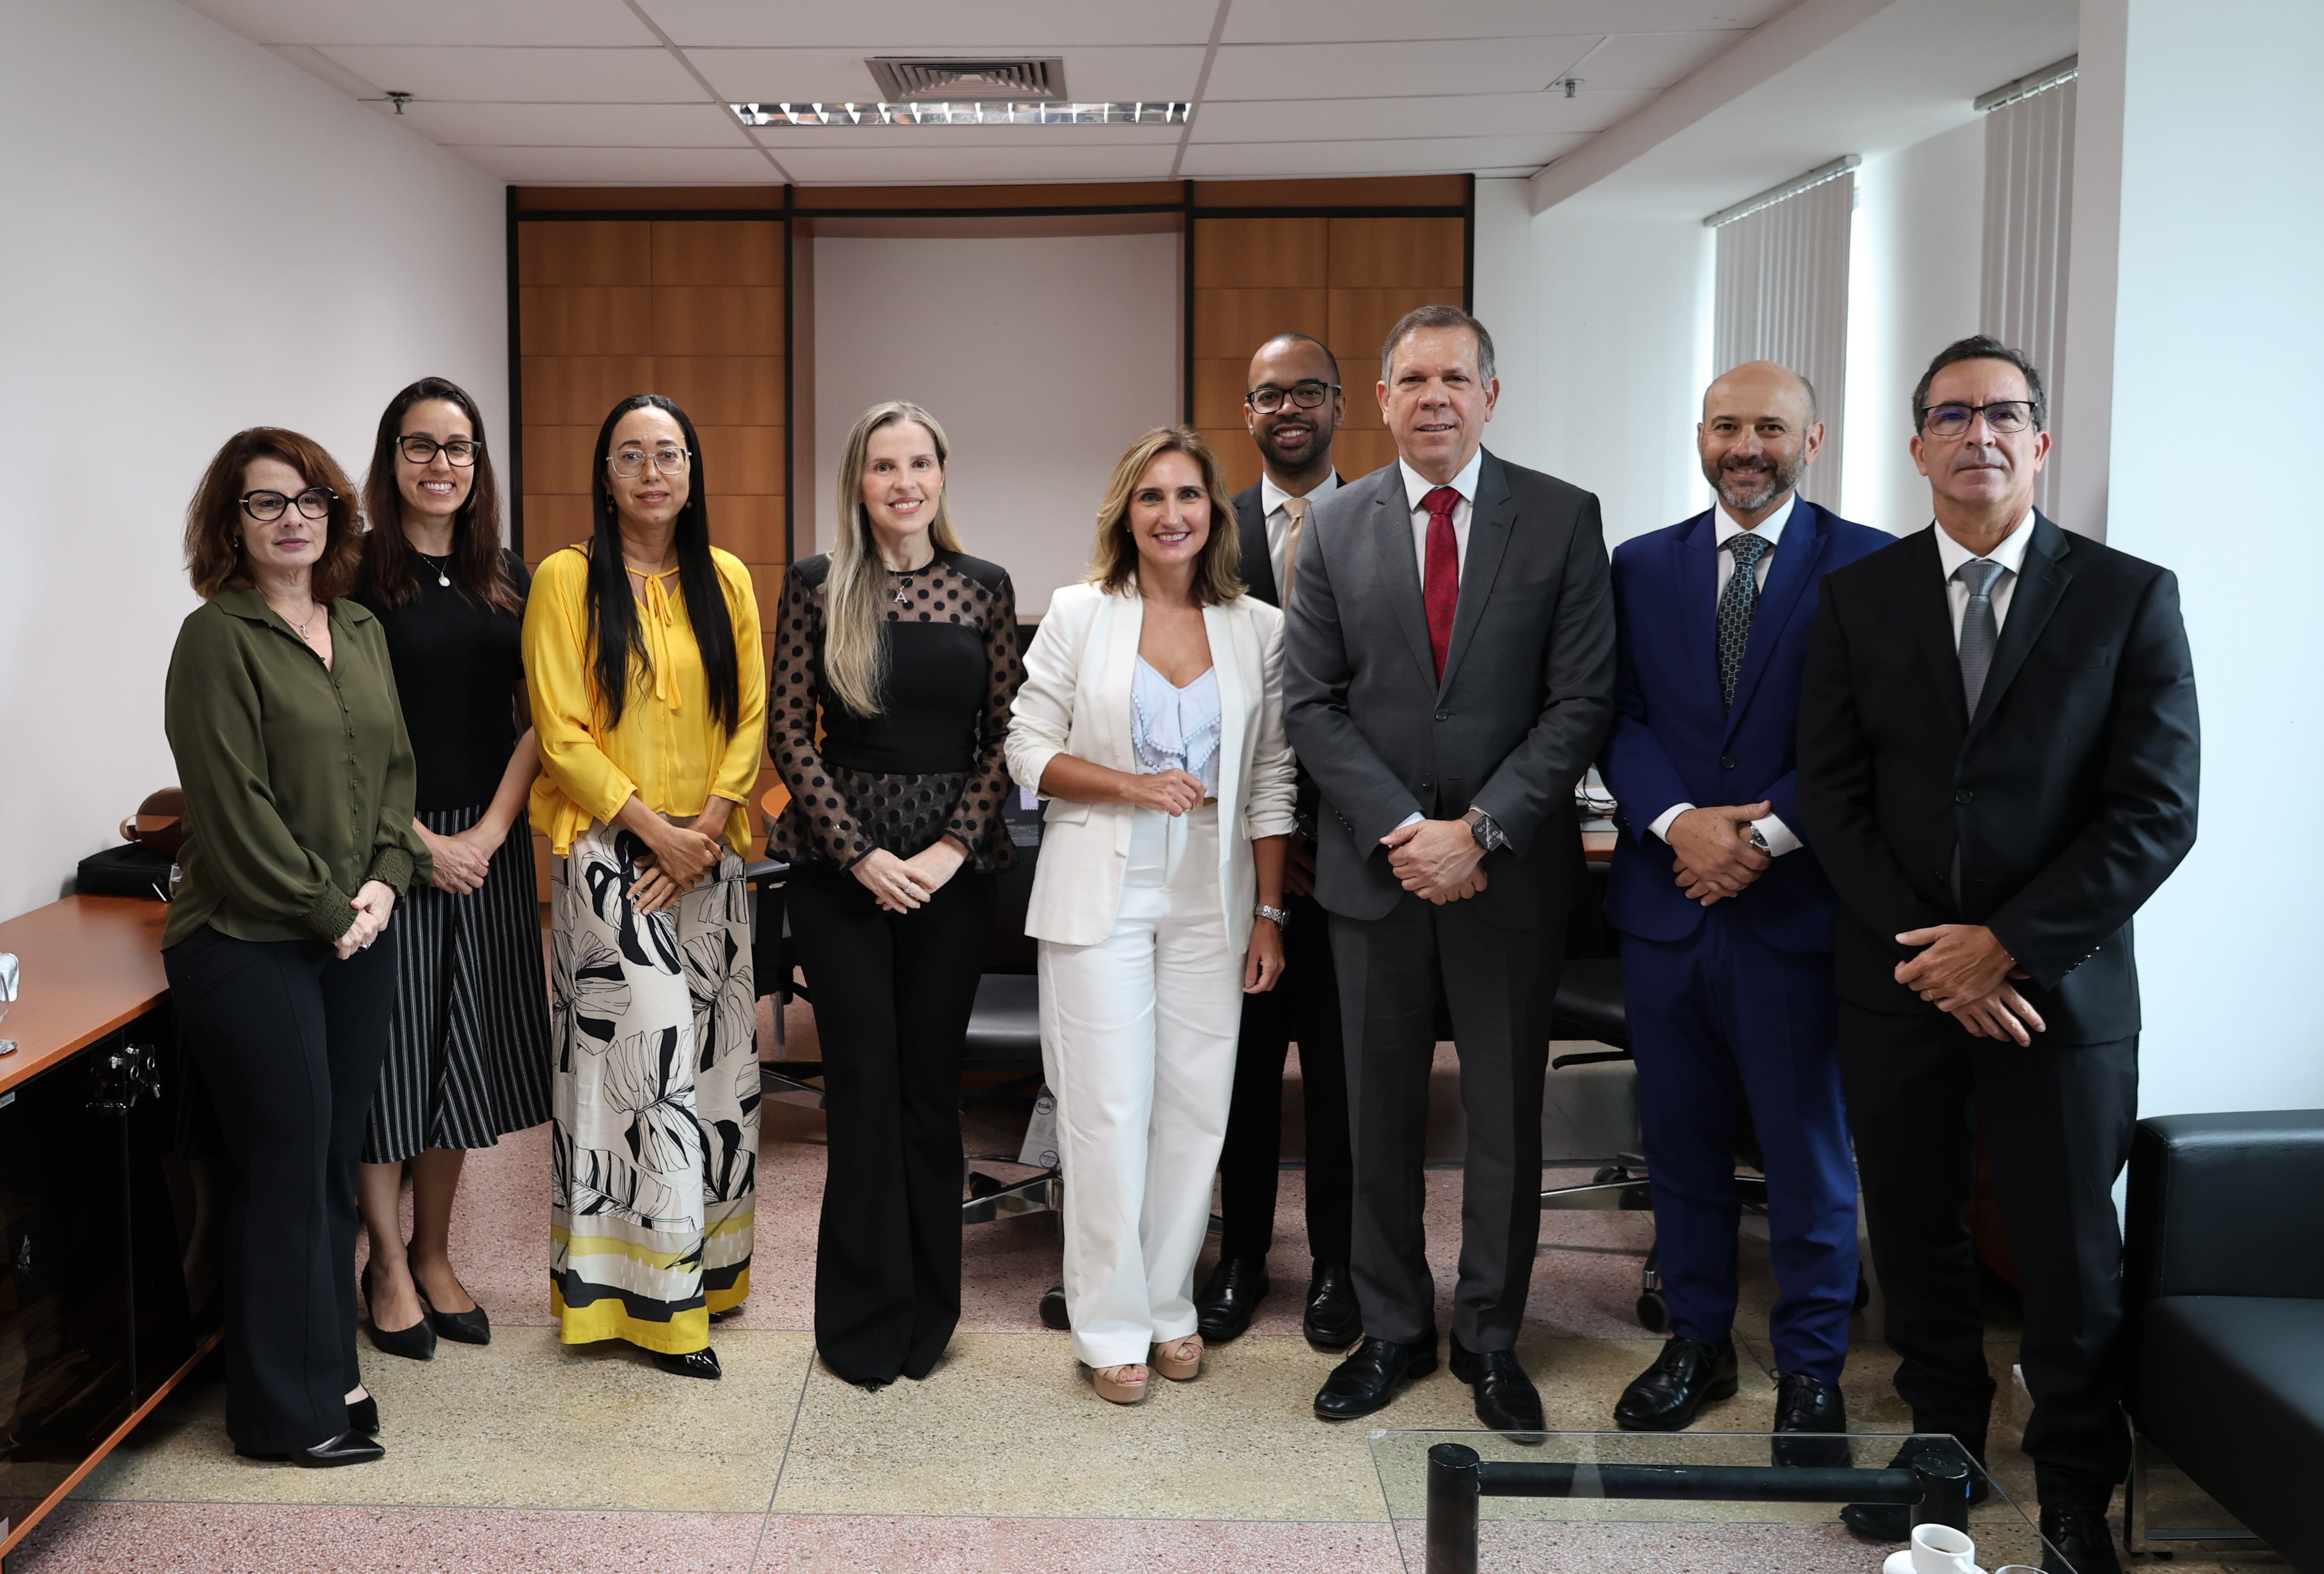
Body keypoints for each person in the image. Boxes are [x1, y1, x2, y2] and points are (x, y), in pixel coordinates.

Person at [1797, 336, 2199, 1571]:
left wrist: (2005, 949)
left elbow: (2154, 810)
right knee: (1914, 1235)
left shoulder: (2127, 594)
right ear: (1916, 446)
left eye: (2003, 414)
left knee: (2068, 1252)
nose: (1978, 433)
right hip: (1898, 980)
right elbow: (1831, 794)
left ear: (2039, 441)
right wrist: (1935, 956)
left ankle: (2073, 1487)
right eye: (1951, 415)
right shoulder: (1857, 597)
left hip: (2057, 994)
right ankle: (1941, 1457)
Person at [1285, 304, 1615, 1434]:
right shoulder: (1333, 527)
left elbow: (1580, 700)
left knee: (1503, 1121)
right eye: (1414, 380)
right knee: (1373, 1117)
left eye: (1455, 379)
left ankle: (1487, 1337)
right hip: (1374, 879)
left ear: (1489, 396)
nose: (1434, 397)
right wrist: (1406, 831)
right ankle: (1390, 1328)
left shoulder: (1561, 517)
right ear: (1382, 400)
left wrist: (1478, 830)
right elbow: (1311, 705)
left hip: (1506, 875)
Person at [1596, 362, 1892, 1458]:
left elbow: (1870, 734)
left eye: (1769, 427)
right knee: (1677, 1148)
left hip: (1795, 910)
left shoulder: (1870, 564)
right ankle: (1696, 1343)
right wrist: (1679, 824)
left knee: (1805, 1152)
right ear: (1700, 436)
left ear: (1811, 440)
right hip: (1667, 904)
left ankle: (1809, 1368)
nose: (1744, 446)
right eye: (1725, 426)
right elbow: (1615, 716)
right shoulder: (1640, 564)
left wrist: (1760, 838)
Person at [1007, 426, 1296, 1405]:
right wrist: (1131, 786)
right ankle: (1107, 1324)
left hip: (1213, 887)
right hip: (1104, 880)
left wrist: (1267, 913)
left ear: (1214, 512)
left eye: (1189, 496)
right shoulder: (1080, 613)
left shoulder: (1257, 628)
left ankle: (1169, 1304)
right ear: (1124, 514)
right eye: (1151, 497)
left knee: (1193, 1108)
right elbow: (1026, 749)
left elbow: (1271, 778)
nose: (1172, 515)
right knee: (1106, 1111)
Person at [162, 427, 430, 1466]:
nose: (293, 519)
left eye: (311, 499)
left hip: (355, 927)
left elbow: (395, 773)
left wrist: (385, 880)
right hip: (250, 937)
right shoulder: (214, 639)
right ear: (230, 524)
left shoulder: (356, 625)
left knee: (328, 1159)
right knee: (284, 1162)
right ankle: (282, 1412)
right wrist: (333, 910)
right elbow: (235, 814)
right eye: (266, 502)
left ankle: (328, 1367)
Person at [769, 402, 1024, 1389]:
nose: (904, 482)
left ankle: (928, 1313)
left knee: (927, 1092)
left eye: (919, 464)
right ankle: (861, 1320)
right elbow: (790, 733)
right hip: (841, 877)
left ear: (941, 475)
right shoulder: (816, 583)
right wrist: (861, 855)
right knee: (863, 1088)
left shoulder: (983, 587)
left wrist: (952, 850)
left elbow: (1005, 735)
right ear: (859, 482)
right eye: (884, 466)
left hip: (951, 881)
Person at [524, 394, 766, 1380]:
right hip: (609, 853)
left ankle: (707, 1273)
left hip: (711, 853)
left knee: (711, 1069)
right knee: (643, 1070)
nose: (651, 472)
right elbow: (558, 731)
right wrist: (655, 833)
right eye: (631, 456)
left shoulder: (727, 578)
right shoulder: (565, 578)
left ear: (692, 473)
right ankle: (652, 1306)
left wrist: (702, 830)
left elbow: (752, 714)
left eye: (668, 455)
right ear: (606, 475)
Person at [349, 377, 551, 1362]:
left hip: (489, 847)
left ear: (479, 463)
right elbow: (337, 734)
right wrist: (420, 842)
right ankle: (385, 1264)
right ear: (390, 460)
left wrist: (488, 834)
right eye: (420, 446)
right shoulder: (350, 574)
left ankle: (435, 1253)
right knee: (389, 1064)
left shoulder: (508, 576)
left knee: (460, 1060)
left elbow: (544, 720)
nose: (441, 465)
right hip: (386, 846)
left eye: (459, 447)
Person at [1195, 332, 1359, 1351]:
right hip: (1234, 861)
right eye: (1268, 394)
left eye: (1306, 391)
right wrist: (1266, 835)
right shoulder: (1202, 532)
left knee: (1342, 1080)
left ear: (1341, 404)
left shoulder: (1382, 523)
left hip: (1355, 860)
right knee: (1243, 1075)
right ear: (1246, 412)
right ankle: (1243, 1257)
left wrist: (1324, 834)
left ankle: (1338, 1263)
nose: (1287, 407)